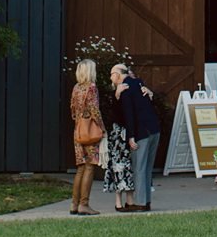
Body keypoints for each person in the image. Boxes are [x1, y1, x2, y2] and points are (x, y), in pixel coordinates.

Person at [118, 64, 162, 212]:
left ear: (119, 75)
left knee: (139, 167)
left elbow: (129, 115)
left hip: (141, 132)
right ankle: (147, 200)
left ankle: (141, 202)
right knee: (148, 167)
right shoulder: (140, 84)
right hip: (154, 129)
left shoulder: (125, 89)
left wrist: (131, 136)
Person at [69, 58, 106, 214]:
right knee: (90, 167)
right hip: (90, 131)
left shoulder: (76, 88)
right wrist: (102, 128)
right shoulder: (92, 88)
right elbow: (94, 110)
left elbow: (72, 109)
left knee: (80, 168)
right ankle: (84, 204)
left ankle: (74, 204)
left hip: (78, 131)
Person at [103, 62, 137, 211]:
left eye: (112, 73)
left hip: (128, 132)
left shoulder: (129, 87)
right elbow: (112, 115)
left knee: (129, 166)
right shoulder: (112, 93)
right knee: (118, 165)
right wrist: (116, 96)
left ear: (118, 74)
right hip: (118, 135)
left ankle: (130, 199)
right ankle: (118, 200)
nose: (111, 77)